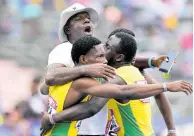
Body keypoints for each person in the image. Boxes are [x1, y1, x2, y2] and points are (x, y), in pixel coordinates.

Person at [41, 35, 192, 136]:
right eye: (100, 55)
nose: (104, 60)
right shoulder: (85, 81)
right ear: (84, 60)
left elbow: (45, 85)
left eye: (106, 49)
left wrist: (52, 118)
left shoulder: (62, 75)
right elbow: (120, 92)